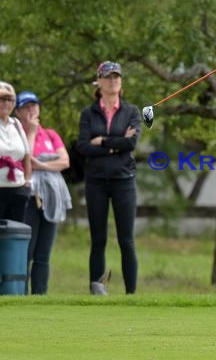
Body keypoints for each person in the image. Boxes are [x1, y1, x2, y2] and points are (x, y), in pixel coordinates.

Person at [76, 61, 141, 295]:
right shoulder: (88, 113)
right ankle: (96, 290)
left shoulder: (131, 112)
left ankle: (131, 294)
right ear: (99, 82)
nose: (113, 80)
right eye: (108, 77)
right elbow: (83, 146)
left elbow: (131, 143)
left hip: (124, 180)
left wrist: (102, 141)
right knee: (98, 239)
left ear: (121, 81)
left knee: (127, 240)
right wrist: (116, 144)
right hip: (96, 182)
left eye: (116, 77)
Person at [14, 91, 72, 295]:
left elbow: (65, 161)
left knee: (43, 253)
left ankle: (40, 296)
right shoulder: (16, 132)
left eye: (34, 105)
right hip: (28, 196)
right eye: (26, 106)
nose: (31, 109)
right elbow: (24, 159)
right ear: (18, 111)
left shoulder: (50, 134)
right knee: (26, 251)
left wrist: (41, 165)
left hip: (51, 196)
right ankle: (20, 293)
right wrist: (30, 134)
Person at [0, 81, 31, 222]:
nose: (6, 103)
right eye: (2, 99)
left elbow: (26, 156)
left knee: (15, 236)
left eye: (9, 100)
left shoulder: (16, 124)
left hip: (17, 188)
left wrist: (27, 181)